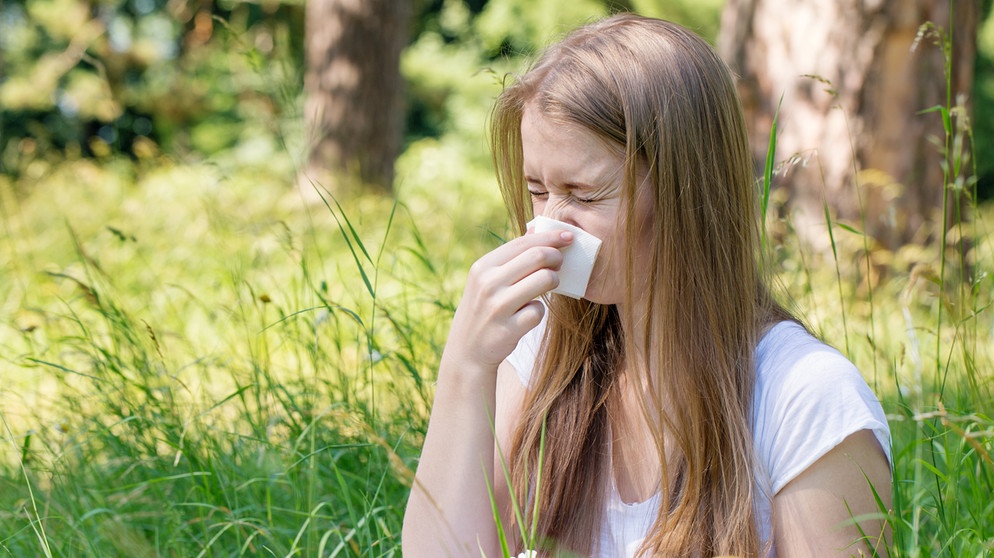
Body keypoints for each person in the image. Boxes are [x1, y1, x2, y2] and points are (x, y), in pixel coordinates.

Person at [402, 13, 892, 557]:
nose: (549, 227)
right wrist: (465, 369)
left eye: (584, 195)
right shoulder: (539, 355)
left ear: (686, 192)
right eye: (538, 190)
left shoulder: (805, 398)